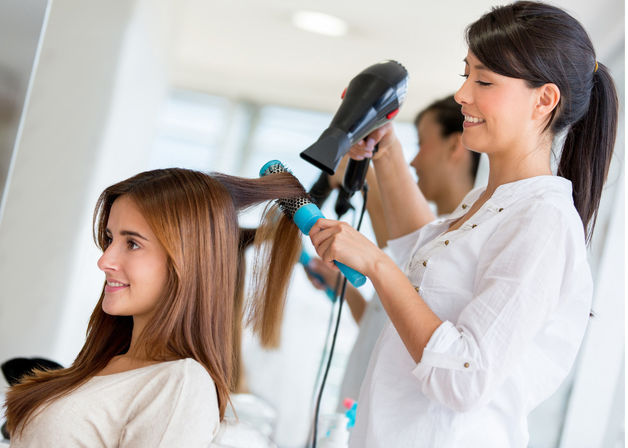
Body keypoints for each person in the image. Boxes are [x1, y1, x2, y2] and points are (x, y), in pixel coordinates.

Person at [308, 2, 618, 447]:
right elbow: (423, 259)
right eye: (466, 74)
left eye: (484, 81)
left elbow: (464, 377)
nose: (462, 95)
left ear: (544, 100)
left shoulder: (543, 221)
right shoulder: (487, 204)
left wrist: (375, 264)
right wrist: (385, 146)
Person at [4, 167, 306, 446]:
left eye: (132, 243)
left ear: (187, 263)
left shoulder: (181, 384)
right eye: (109, 239)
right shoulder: (108, 362)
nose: (104, 260)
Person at [305, 94, 481, 408]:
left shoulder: (447, 256)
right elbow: (390, 331)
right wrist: (344, 290)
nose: (413, 162)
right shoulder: (421, 241)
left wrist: (371, 162)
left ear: (455, 146)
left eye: (421, 144)